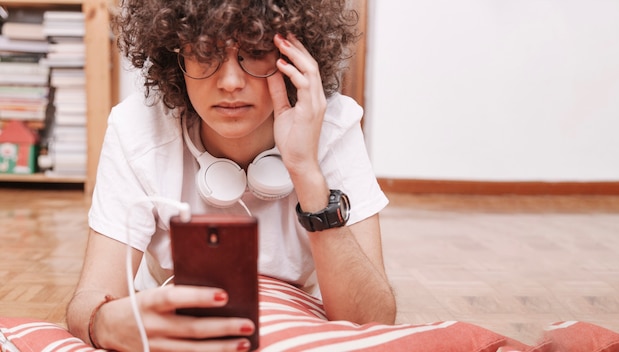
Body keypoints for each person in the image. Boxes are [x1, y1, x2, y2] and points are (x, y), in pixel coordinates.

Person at [66, 0, 397, 350]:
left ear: (295, 56)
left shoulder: (331, 125)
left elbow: (372, 320)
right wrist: (106, 323)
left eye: (254, 52)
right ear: (176, 56)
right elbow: (89, 299)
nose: (230, 82)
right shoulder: (136, 128)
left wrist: (306, 171)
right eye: (207, 52)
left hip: (295, 311)